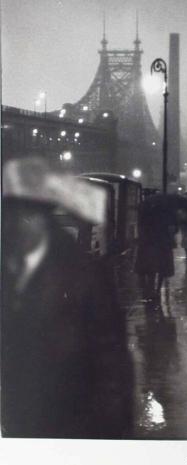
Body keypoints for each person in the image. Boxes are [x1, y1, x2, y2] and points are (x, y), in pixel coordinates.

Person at [1, 157, 133, 438]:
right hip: (20, 426)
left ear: (41, 217)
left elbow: (111, 359)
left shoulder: (84, 275)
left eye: (19, 215)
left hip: (72, 424)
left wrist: (105, 436)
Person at [135, 203, 176, 297]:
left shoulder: (146, 218)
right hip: (162, 246)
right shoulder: (166, 218)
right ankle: (156, 289)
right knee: (161, 269)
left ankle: (150, 288)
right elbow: (172, 231)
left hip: (149, 245)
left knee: (151, 269)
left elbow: (142, 231)